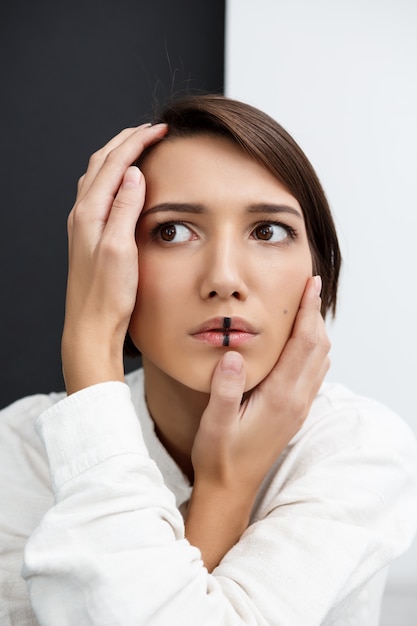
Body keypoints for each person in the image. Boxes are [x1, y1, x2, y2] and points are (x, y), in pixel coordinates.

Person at [1, 95, 417, 626]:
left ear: (318, 266)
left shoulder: (357, 448)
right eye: (172, 231)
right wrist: (89, 346)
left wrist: (229, 482)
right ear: (107, 259)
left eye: (268, 231)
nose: (224, 278)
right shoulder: (17, 453)